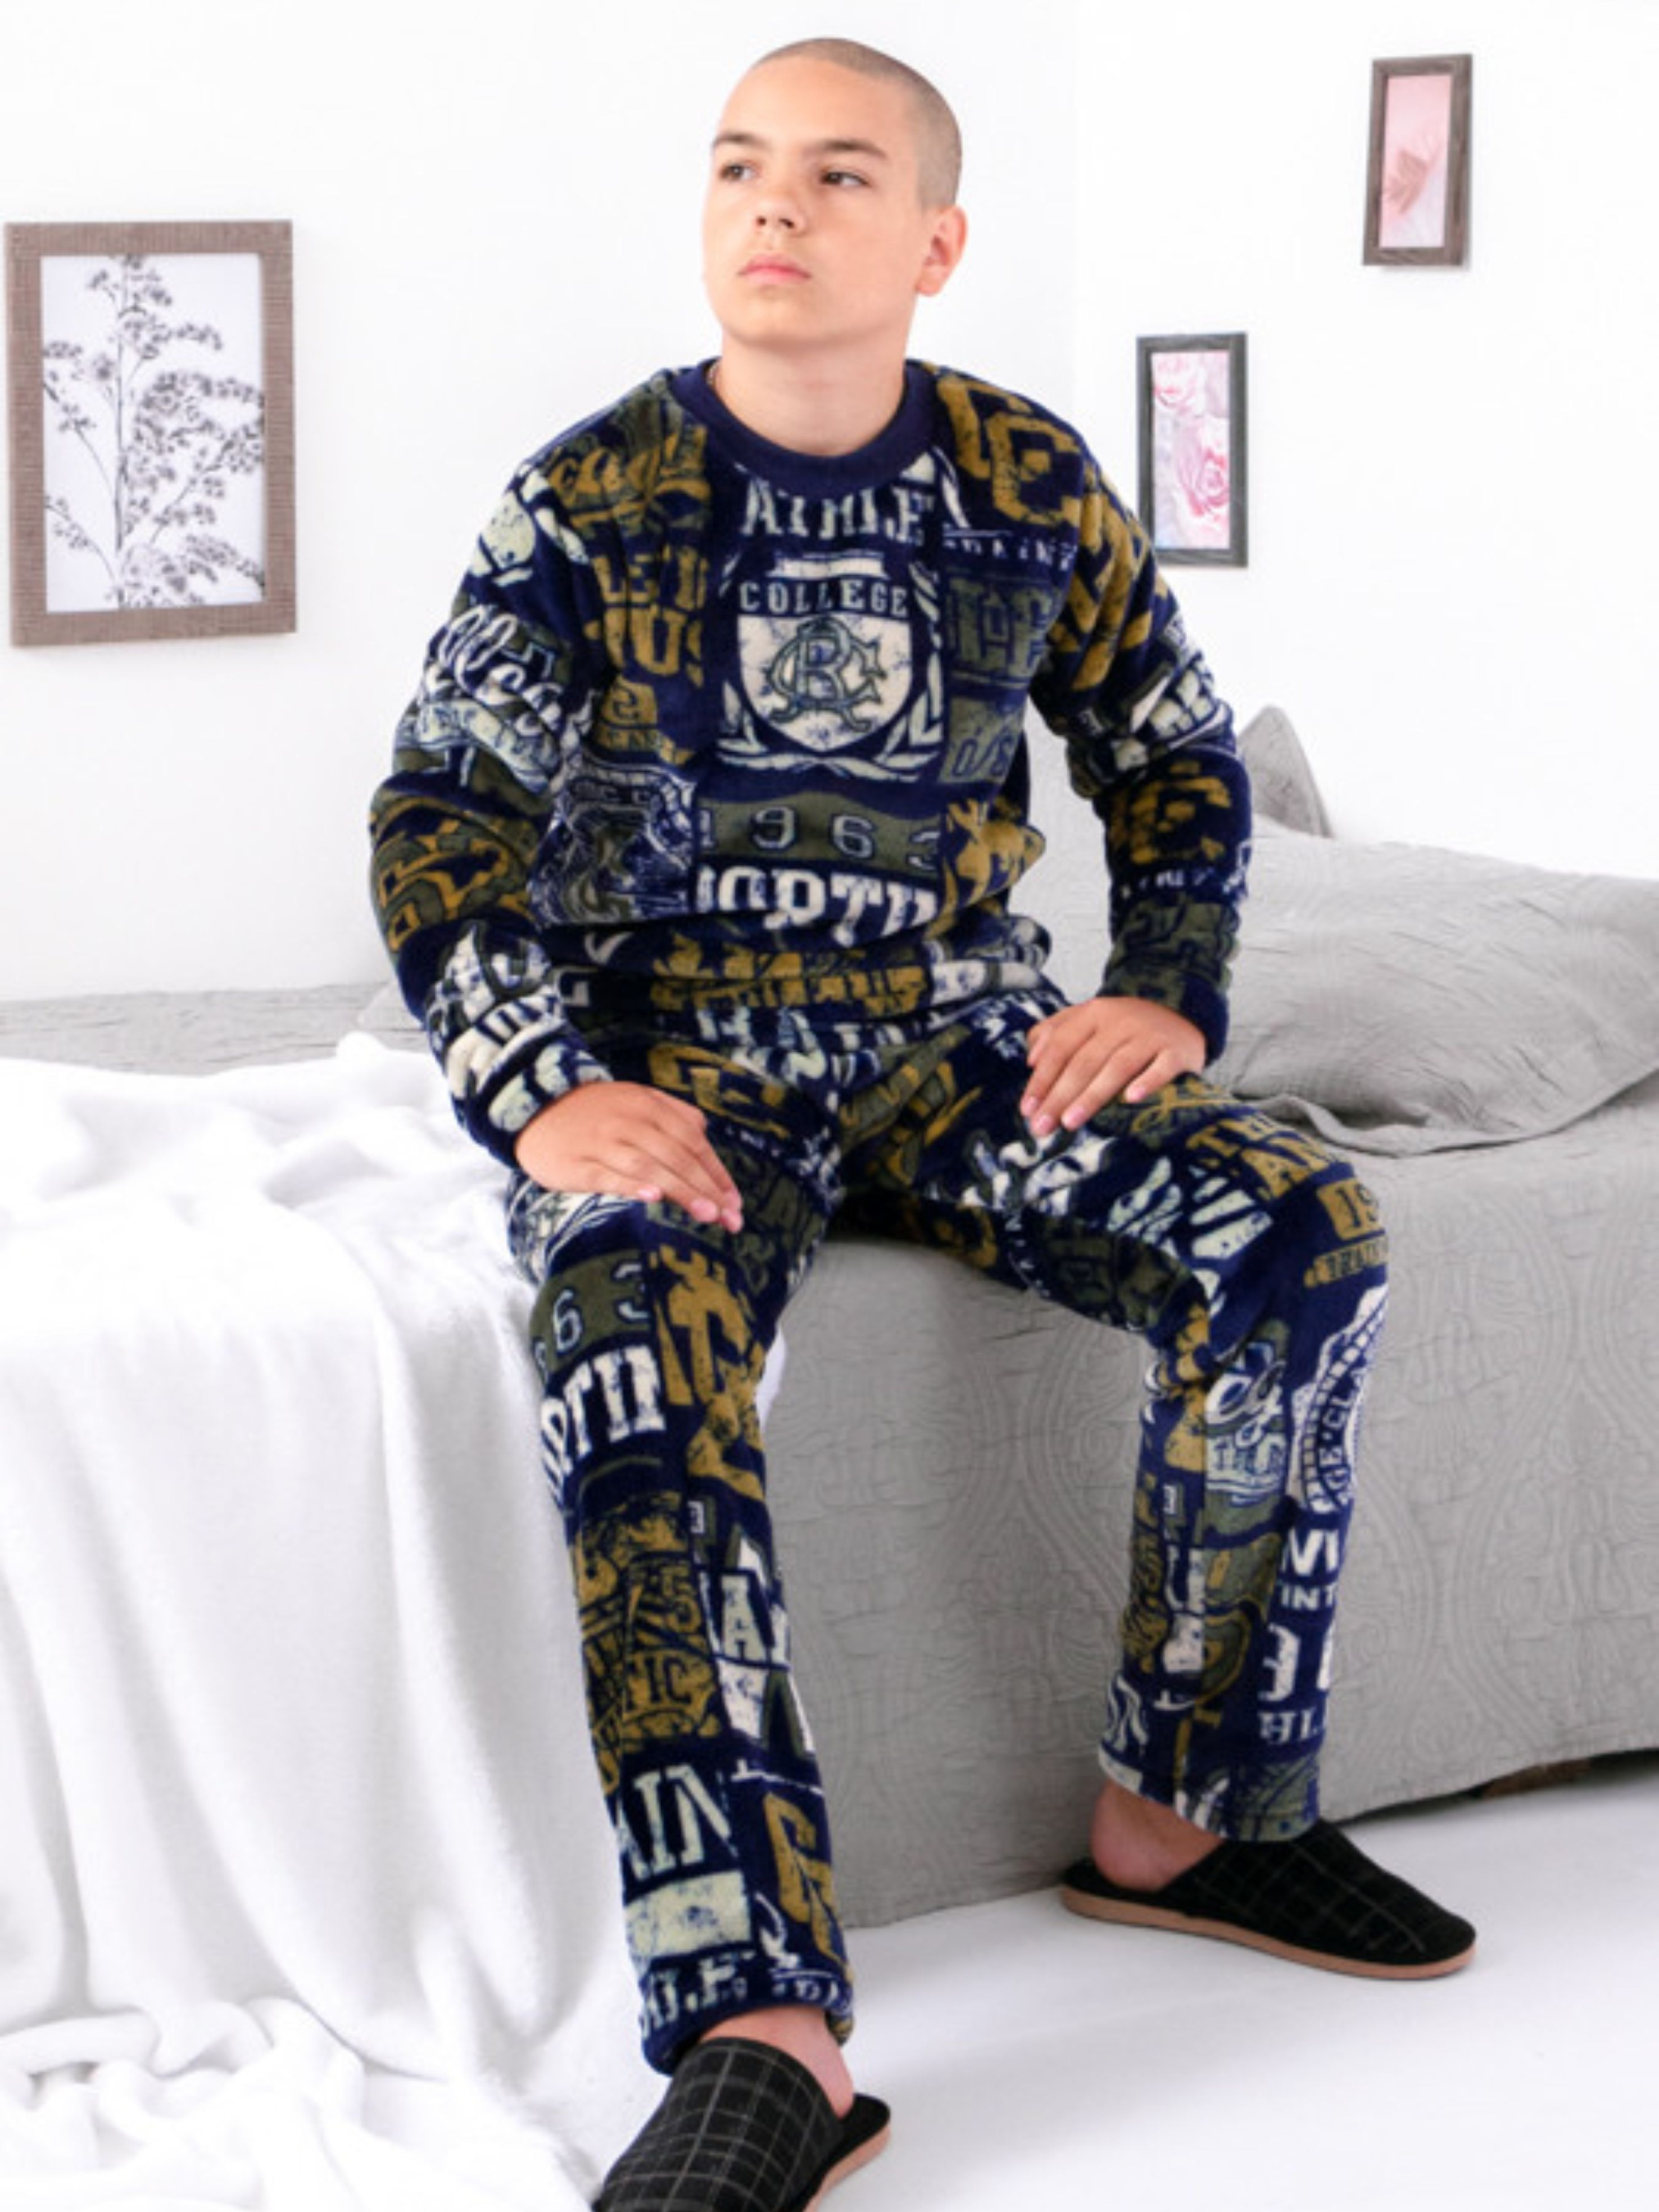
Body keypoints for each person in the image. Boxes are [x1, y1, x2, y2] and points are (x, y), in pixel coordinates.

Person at [369, 36, 1476, 2210]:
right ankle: (763, 2029)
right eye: (737, 168)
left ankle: (1191, 1817)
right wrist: (544, 1087)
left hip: (958, 1043)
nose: (773, 207)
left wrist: (1167, 985)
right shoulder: (585, 498)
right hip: (676, 1062)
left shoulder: (1027, 479)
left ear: (936, 243)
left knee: (1297, 1218)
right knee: (628, 1335)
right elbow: (436, 818)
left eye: (836, 174)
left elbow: (1172, 754)